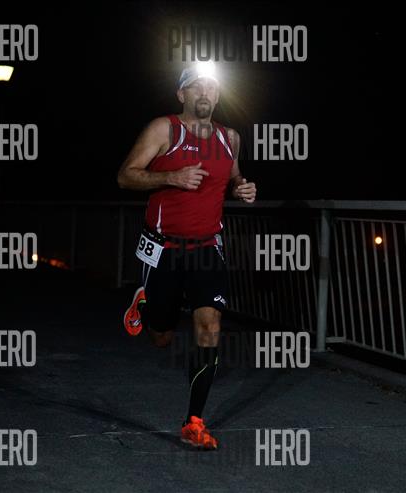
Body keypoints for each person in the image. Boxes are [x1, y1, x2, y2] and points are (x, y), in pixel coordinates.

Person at [117, 62, 257, 450]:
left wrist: (242, 188)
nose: (205, 92)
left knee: (210, 327)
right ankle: (146, 306)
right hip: (163, 248)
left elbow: (233, 176)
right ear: (182, 94)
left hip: (207, 248)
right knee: (162, 337)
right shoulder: (164, 129)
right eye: (197, 86)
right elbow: (125, 176)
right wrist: (171, 177)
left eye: (212, 86)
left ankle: (194, 422)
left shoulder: (230, 137)